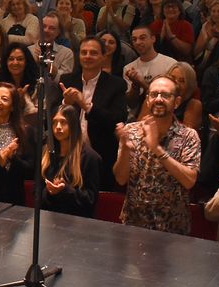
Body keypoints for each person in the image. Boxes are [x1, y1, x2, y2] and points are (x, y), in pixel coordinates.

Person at [113, 76, 201, 234]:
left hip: (173, 228)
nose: (158, 99)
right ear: (147, 100)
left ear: (177, 102)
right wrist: (125, 149)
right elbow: (120, 178)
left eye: (165, 95)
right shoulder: (131, 131)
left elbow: (189, 181)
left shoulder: (189, 136)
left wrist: (157, 149)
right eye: (154, 94)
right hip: (134, 225)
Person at [60, 37, 128, 188]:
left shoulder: (116, 84)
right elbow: (51, 118)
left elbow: (117, 118)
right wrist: (65, 104)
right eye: (84, 52)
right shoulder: (67, 80)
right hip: (67, 154)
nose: (87, 56)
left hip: (100, 155)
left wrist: (86, 106)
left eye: (93, 53)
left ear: (104, 57)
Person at [41, 104, 101, 218]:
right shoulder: (46, 153)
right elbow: (37, 192)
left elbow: (90, 200)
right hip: (49, 218)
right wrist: (50, 192)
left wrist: (65, 190)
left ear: (73, 125)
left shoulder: (89, 157)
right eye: (54, 122)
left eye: (63, 122)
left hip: (77, 222)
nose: (58, 127)